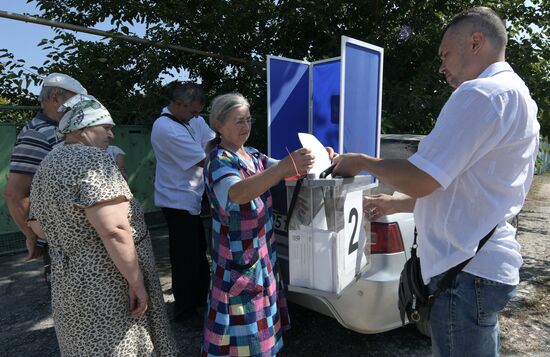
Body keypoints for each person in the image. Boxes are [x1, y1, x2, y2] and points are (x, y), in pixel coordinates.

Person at [332, 7, 540, 356]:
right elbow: (467, 186)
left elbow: (422, 179)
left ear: (476, 42)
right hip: (481, 266)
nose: (442, 66)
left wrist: (361, 161)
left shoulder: (481, 95)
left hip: (464, 274)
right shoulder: (517, 94)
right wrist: (395, 204)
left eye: (445, 54)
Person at [28, 94, 179, 356]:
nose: (111, 135)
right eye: (106, 128)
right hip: (108, 279)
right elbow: (115, 230)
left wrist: (74, 242)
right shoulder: (92, 160)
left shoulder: (49, 161)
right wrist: (137, 283)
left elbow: (37, 225)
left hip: (69, 278)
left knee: (85, 345)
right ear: (83, 129)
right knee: (120, 343)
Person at [201, 93, 315, 356]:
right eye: (238, 121)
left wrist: (314, 159)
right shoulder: (219, 160)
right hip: (237, 260)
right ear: (219, 125)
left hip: (260, 254)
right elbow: (237, 193)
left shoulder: (252, 155)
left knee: (261, 320)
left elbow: (288, 169)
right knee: (242, 326)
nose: (246, 127)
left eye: (249, 120)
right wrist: (281, 169)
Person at [3, 73, 87, 287]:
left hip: (81, 236)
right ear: (55, 99)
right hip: (61, 242)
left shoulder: (64, 129)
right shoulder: (37, 134)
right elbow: (15, 194)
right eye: (73, 100)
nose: (79, 107)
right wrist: (32, 235)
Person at [151, 82, 214, 324]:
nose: (197, 117)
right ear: (177, 104)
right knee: (185, 258)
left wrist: (212, 149)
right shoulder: (165, 127)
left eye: (199, 112)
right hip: (176, 200)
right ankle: (185, 311)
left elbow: (211, 143)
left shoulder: (192, 119)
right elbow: (204, 160)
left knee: (198, 253)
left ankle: (199, 302)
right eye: (192, 112)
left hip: (193, 197)